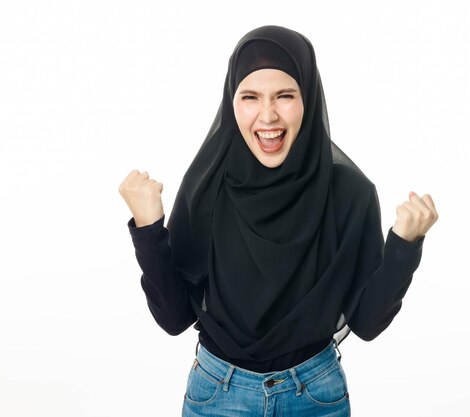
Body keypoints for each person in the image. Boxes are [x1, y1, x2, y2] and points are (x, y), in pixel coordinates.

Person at [119, 25, 438, 417]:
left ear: (308, 97)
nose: (267, 115)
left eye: (285, 96)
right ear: (231, 101)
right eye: (250, 96)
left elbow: (367, 323)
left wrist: (404, 247)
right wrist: (149, 231)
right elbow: (173, 319)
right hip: (217, 396)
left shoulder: (350, 192)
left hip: (315, 396)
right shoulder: (207, 186)